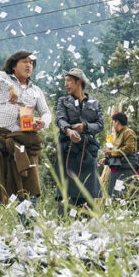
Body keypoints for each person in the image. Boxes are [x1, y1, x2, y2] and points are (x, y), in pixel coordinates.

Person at [0, 50, 52, 208]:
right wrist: (9, 86)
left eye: (31, 63)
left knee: (28, 187)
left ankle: (27, 230)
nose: (29, 65)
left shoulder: (36, 90)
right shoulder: (3, 78)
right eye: (25, 61)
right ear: (13, 65)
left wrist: (42, 122)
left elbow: (46, 113)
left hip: (23, 143)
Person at [55, 68, 103, 208]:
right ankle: (66, 223)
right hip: (68, 151)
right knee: (67, 192)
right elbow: (60, 120)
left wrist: (85, 127)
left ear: (78, 82)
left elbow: (100, 125)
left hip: (88, 151)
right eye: (65, 81)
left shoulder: (95, 103)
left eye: (69, 81)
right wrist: (69, 131)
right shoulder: (63, 101)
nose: (66, 84)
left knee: (89, 192)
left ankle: (88, 222)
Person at [103, 112, 139, 199]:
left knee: (125, 195)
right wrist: (107, 159)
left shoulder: (128, 132)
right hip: (118, 168)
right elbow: (116, 151)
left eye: (113, 122)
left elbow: (129, 148)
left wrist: (112, 153)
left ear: (117, 122)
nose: (113, 124)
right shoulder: (118, 134)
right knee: (113, 194)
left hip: (126, 168)